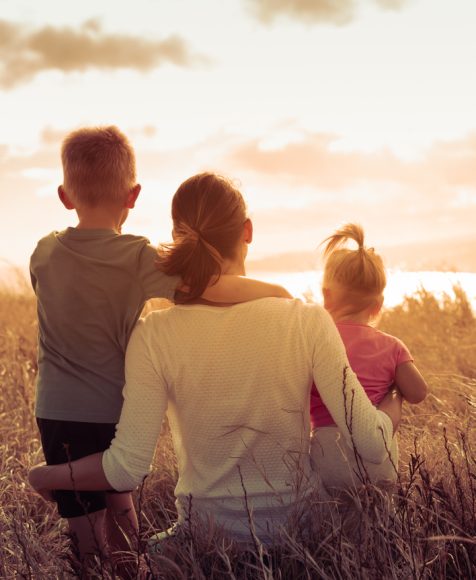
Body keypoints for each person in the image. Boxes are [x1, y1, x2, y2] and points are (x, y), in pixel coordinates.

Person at [29, 173, 402, 549]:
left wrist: (45, 477)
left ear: (177, 241)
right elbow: (371, 444)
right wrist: (394, 400)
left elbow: (127, 469)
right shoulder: (306, 319)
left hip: (202, 541)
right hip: (301, 538)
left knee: (147, 556)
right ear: (248, 231)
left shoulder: (154, 333)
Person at [29, 128, 292, 569]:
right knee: (124, 512)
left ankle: (97, 561)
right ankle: (135, 568)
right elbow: (206, 289)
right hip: (113, 405)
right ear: (133, 196)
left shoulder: (43, 252)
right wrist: (277, 290)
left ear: (64, 196)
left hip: (56, 409)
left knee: (88, 532)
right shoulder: (136, 257)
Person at [310, 223, 428, 491]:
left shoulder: (315, 344)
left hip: (327, 453)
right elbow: (419, 392)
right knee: (381, 517)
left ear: (326, 297)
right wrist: (395, 390)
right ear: (378, 304)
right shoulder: (392, 346)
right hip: (378, 449)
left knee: (331, 520)